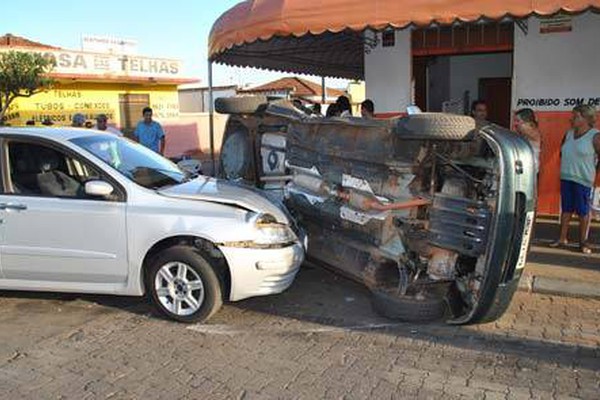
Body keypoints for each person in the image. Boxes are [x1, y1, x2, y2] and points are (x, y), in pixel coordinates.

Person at [551, 105, 600, 254]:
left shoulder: (595, 136)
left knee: (583, 211)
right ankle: (562, 239)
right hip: (566, 177)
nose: (572, 118)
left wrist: (594, 176)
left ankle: (583, 242)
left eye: (576, 116)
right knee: (566, 209)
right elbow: (562, 152)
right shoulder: (568, 133)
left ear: (586, 118)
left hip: (584, 180)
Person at [514, 108, 542, 173]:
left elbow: (525, 130)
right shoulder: (522, 133)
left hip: (530, 171)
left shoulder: (533, 131)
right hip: (524, 169)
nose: (515, 124)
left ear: (527, 122)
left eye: (518, 121)